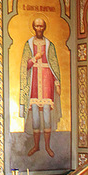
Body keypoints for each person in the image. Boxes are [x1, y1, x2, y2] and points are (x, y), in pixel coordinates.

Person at [19, 16, 61, 158]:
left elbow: (54, 65)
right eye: (37, 26)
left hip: (47, 81)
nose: (39, 29)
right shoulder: (29, 44)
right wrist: (35, 58)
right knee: (36, 117)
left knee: (47, 116)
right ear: (33, 27)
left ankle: (47, 146)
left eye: (41, 26)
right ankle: (36, 146)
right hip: (34, 83)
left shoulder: (49, 45)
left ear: (44, 28)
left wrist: (57, 83)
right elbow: (25, 65)